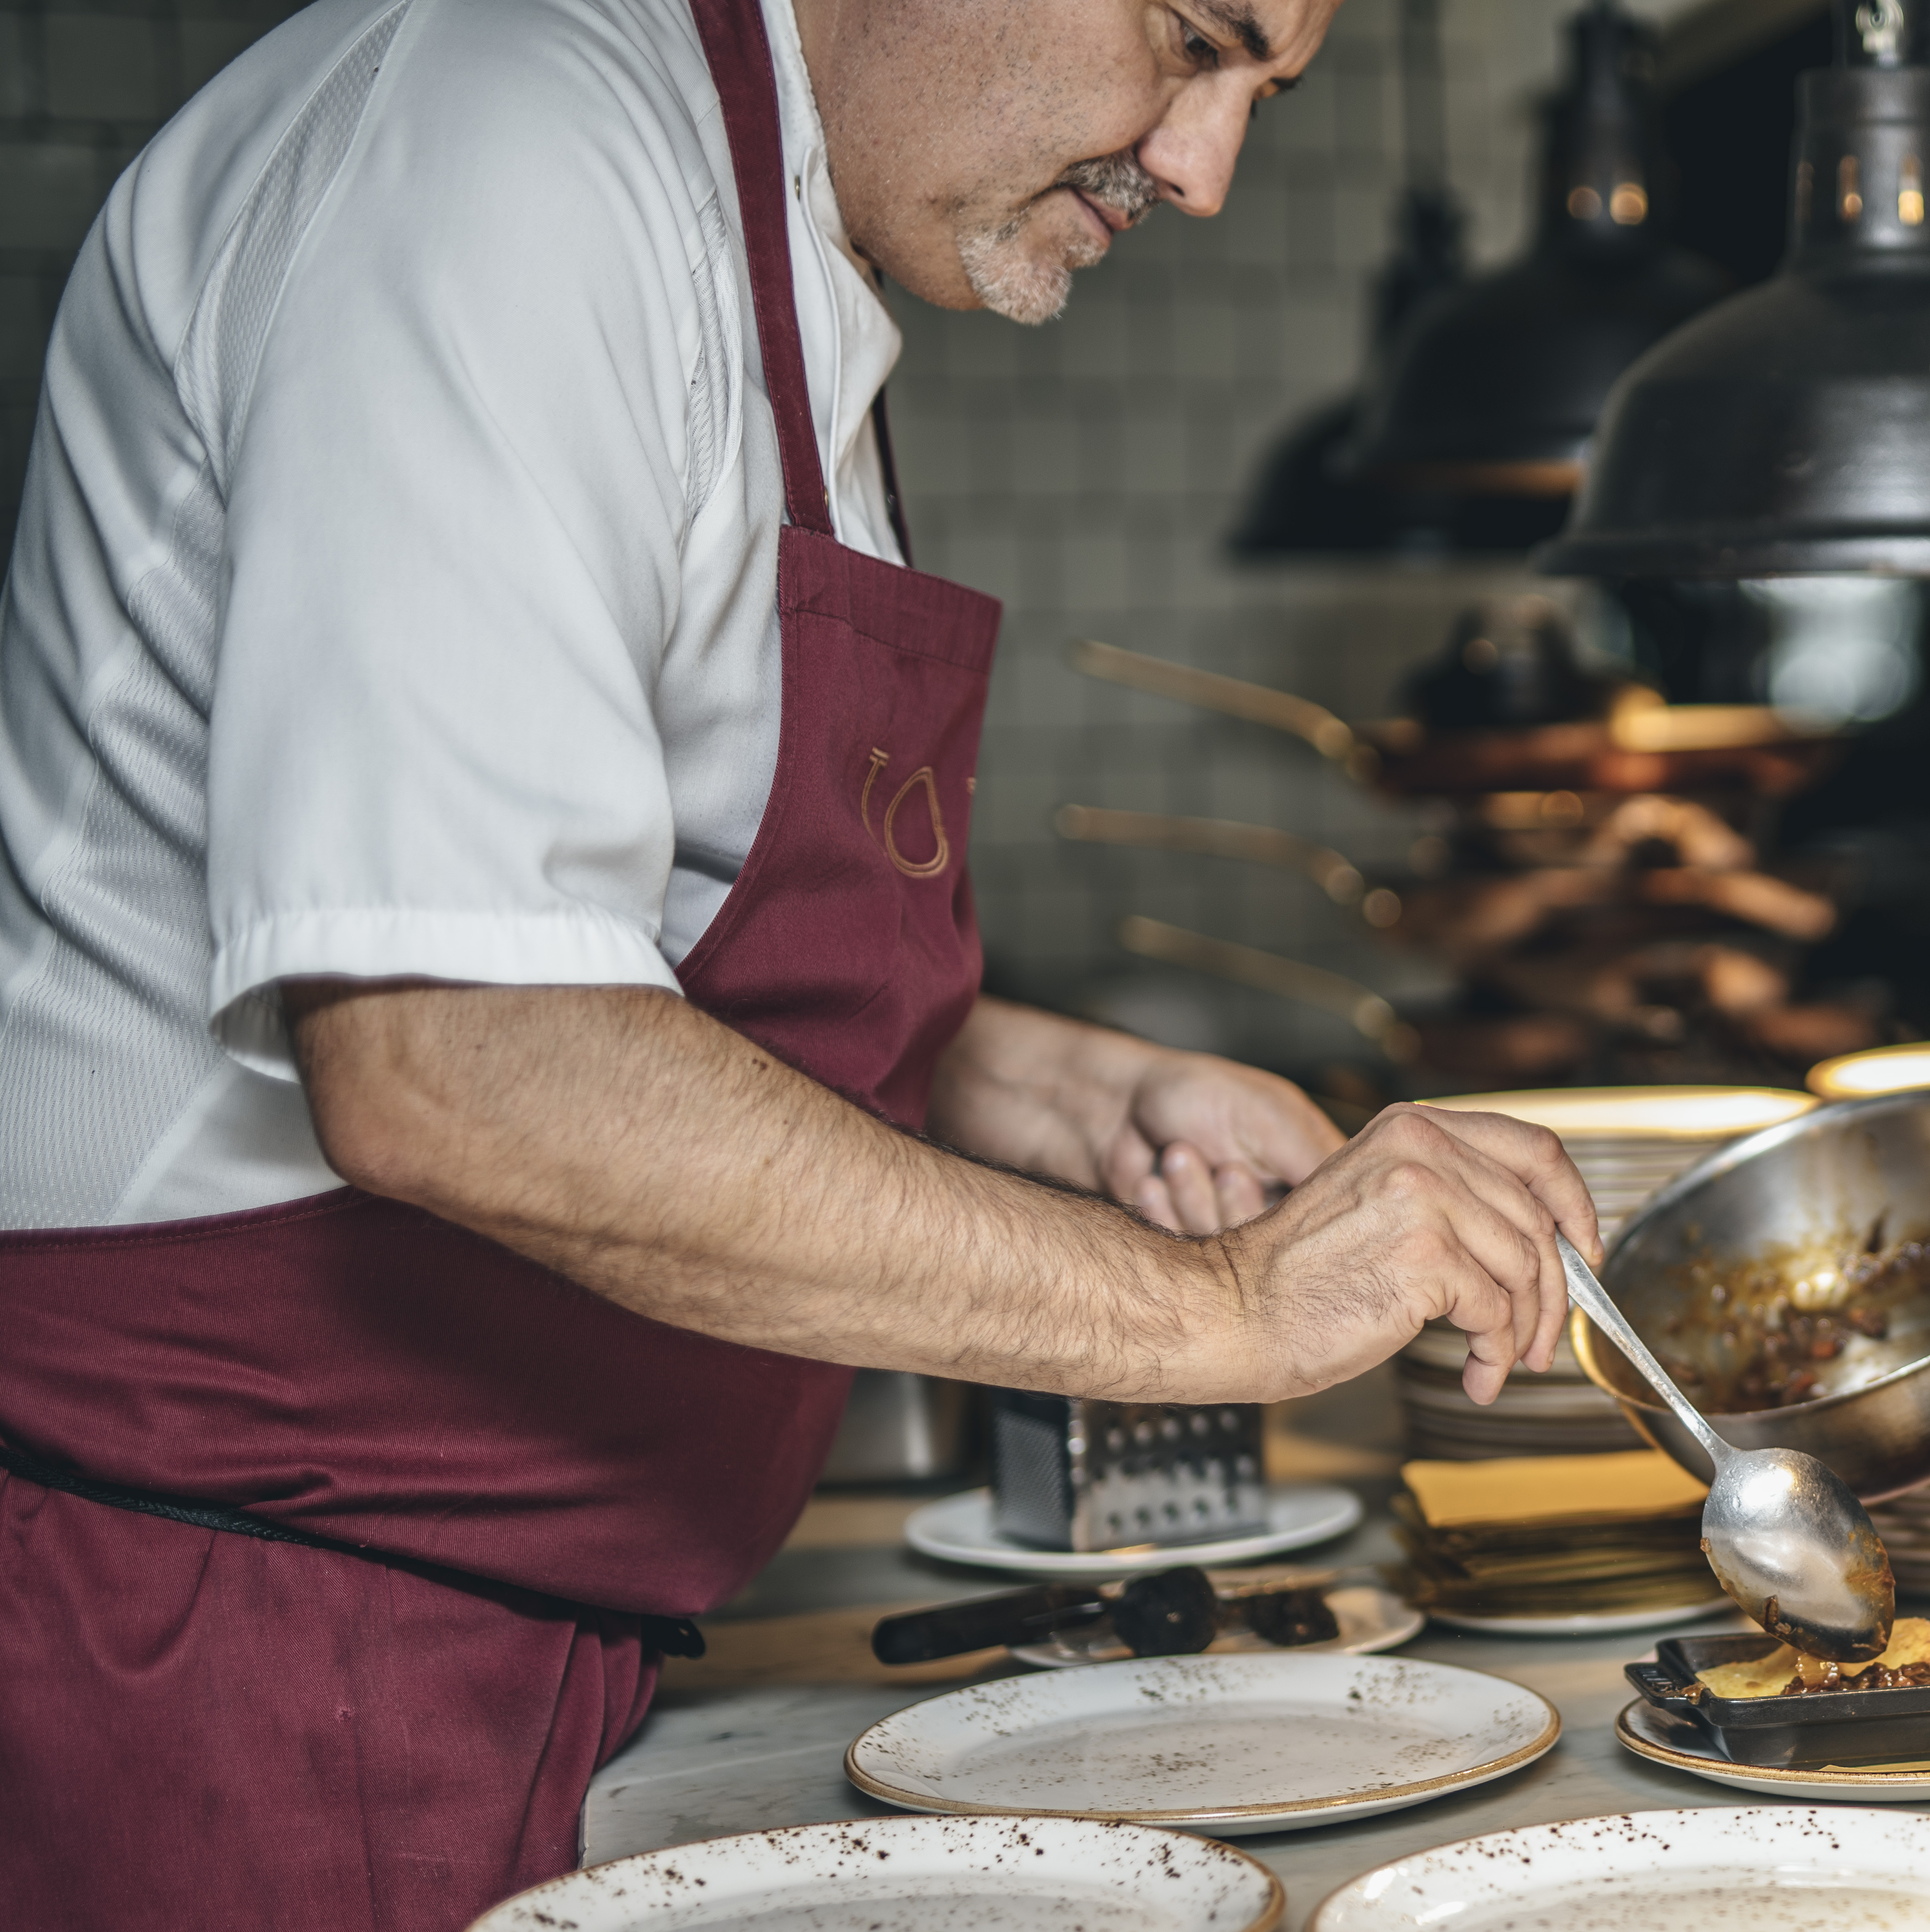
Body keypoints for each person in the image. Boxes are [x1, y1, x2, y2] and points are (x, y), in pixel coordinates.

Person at [0, 0, 1594, 1925]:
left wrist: (1051, 1087)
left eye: (1261, 91)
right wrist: (1220, 1313)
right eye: (1188, 40)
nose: (1198, 166)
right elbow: (454, 1051)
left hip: (503, 1614)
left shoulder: (748, 221)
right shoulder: (500, 142)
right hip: (248, 1637)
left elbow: (600, 924)